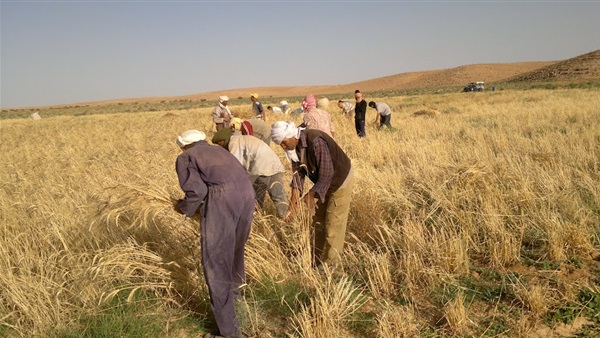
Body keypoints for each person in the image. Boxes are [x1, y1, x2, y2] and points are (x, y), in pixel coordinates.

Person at [174, 130, 253, 338]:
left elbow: (197, 192)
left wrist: (183, 208)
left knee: (216, 261)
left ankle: (229, 332)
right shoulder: (218, 149)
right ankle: (238, 305)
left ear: (183, 146)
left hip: (224, 200)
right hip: (246, 195)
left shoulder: (186, 157)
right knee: (235, 253)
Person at [271, 121, 354, 268]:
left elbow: (327, 175)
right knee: (318, 221)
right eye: (280, 145)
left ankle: (331, 266)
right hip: (322, 184)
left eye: (283, 143)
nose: (282, 147)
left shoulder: (316, 141)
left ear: (291, 136)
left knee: (333, 224)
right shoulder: (294, 149)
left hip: (339, 181)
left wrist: (310, 195)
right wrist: (293, 207)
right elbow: (298, 178)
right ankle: (315, 258)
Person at [212, 129, 289, 219]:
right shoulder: (240, 139)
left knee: (255, 197)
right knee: (279, 196)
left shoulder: (233, 143)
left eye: (219, 144)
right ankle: (288, 219)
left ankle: (255, 220)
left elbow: (235, 167)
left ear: (222, 140)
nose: (220, 147)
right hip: (273, 162)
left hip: (261, 167)